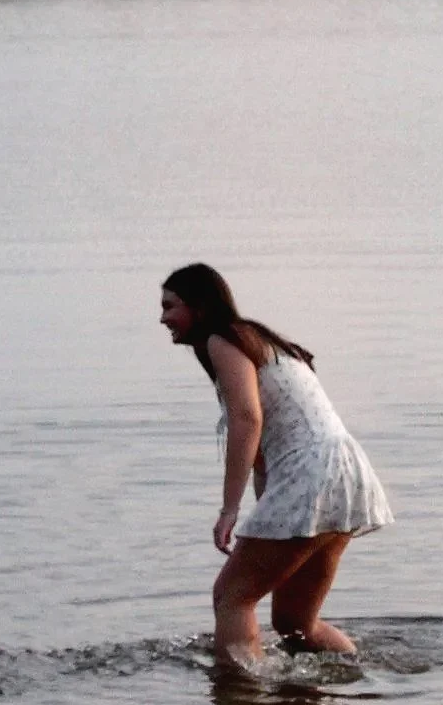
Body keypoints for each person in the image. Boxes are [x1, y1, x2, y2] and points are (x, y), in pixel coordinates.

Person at [159, 263, 392, 670]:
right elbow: (267, 451)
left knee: (232, 597)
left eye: (170, 306)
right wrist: (266, 516)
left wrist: (229, 510)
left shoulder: (222, 340)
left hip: (313, 472)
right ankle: (364, 678)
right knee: (295, 623)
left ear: (199, 306)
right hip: (346, 472)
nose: (162, 318)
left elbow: (248, 420)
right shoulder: (260, 341)